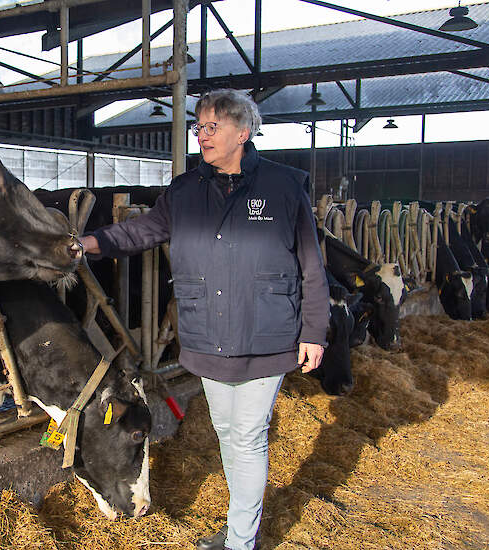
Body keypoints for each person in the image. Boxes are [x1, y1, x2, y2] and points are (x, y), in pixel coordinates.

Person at [79, 88, 329, 550]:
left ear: (243, 132)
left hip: (266, 333)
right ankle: (242, 531)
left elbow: (311, 263)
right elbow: (143, 230)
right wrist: (90, 243)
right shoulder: (186, 189)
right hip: (208, 332)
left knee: (249, 437)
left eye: (212, 126)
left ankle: (240, 542)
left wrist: (314, 330)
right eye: (199, 126)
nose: (202, 135)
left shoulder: (283, 185)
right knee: (228, 432)